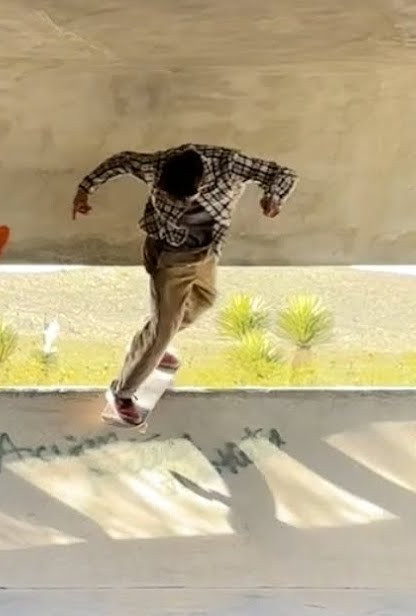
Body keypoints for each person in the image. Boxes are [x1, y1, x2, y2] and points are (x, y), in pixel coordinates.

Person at [72, 143, 298, 424]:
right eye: (172, 196)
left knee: (203, 300)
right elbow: (119, 161)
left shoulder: (229, 164)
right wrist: (85, 189)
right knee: (164, 328)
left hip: (206, 251)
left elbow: (283, 174)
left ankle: (152, 344)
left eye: (186, 197)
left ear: (203, 180)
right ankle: (122, 393)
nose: (181, 204)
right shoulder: (152, 165)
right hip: (170, 255)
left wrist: (273, 197)